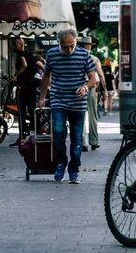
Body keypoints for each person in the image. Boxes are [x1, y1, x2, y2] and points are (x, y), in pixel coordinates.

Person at [38, 29, 96, 184]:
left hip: (78, 102)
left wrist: (85, 87)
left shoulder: (84, 55)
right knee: (58, 132)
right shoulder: (51, 54)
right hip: (58, 99)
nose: (69, 50)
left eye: (72, 46)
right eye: (65, 47)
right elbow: (46, 75)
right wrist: (42, 97)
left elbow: (92, 78)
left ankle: (74, 169)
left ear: (76, 42)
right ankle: (61, 163)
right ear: (59, 44)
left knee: (77, 139)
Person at [8, 38, 44, 147]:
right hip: (32, 88)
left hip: (23, 88)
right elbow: (43, 66)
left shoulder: (21, 55)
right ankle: (35, 133)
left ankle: (21, 138)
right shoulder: (30, 55)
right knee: (33, 110)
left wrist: (15, 75)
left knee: (21, 113)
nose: (13, 47)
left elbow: (24, 64)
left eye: (15, 45)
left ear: (20, 45)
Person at [78, 36, 107, 151]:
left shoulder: (77, 57)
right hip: (91, 88)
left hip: (79, 88)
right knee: (92, 116)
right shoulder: (94, 59)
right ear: (91, 46)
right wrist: (104, 89)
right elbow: (100, 75)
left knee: (81, 115)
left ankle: (83, 143)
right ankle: (94, 141)